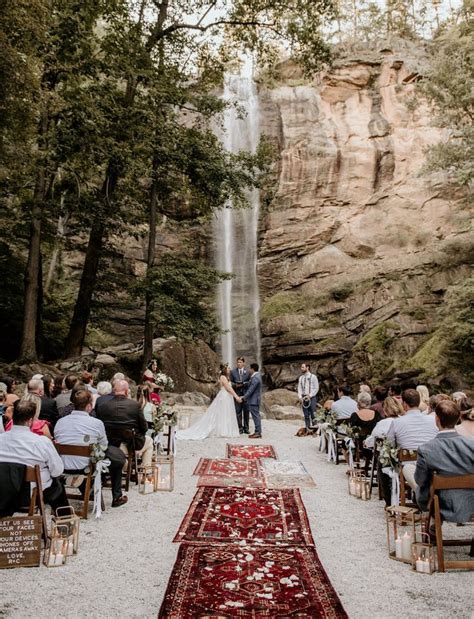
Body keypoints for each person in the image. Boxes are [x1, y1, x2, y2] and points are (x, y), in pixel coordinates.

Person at [54, 389, 127, 508]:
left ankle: (88, 489)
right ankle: (117, 496)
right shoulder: (96, 423)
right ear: (89, 406)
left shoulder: (60, 422)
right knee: (114, 459)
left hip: (64, 466)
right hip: (86, 467)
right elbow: (104, 444)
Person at [0, 400, 68, 511]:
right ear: (30, 420)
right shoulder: (41, 442)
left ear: (13, 417)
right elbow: (57, 471)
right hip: (29, 497)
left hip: (2, 495)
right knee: (56, 484)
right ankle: (65, 522)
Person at [415, 400, 474, 523]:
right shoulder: (471, 444)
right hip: (471, 503)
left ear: (436, 420)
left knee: (419, 482)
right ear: (458, 418)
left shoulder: (426, 449)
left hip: (441, 505)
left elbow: (420, 480)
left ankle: (433, 524)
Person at [386, 389, 438, 490]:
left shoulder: (397, 422)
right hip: (431, 463)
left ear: (404, 404)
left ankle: (390, 500)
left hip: (408, 464)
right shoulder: (432, 420)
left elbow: (389, 444)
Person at [96, 379, 154, 467]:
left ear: (114, 391)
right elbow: (144, 428)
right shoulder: (135, 405)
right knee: (149, 442)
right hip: (130, 445)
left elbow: (99, 427)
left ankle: (125, 464)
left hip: (110, 444)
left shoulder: (103, 406)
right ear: (127, 391)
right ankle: (147, 472)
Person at [176, 365, 240, 440]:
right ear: (224, 369)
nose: (230, 369)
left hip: (227, 396)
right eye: (228, 368)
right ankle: (223, 431)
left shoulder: (226, 377)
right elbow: (228, 388)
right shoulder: (223, 377)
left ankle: (224, 429)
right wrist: (236, 396)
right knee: (223, 412)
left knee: (225, 412)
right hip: (224, 396)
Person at [241, 363, 263, 439]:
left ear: (252, 369)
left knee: (256, 416)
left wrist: (244, 397)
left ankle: (258, 432)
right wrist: (244, 383)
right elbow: (251, 384)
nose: (249, 370)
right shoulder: (256, 376)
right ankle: (258, 431)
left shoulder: (256, 377)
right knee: (256, 416)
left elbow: (251, 389)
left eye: (250, 369)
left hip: (254, 400)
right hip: (254, 400)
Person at [230, 357, 250, 434]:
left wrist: (243, 384)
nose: (239, 363)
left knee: (246, 411)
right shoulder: (232, 372)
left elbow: (250, 382)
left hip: (246, 395)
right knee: (238, 412)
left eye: (240, 362)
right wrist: (236, 385)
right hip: (237, 394)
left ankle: (246, 428)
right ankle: (240, 428)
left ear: (244, 363)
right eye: (238, 362)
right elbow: (230, 382)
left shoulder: (248, 372)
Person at [297, 363, 319, 430]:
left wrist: (310, 395)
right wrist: (300, 397)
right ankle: (307, 428)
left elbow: (316, 388)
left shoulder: (313, 377)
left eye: (303, 367)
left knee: (313, 413)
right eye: (301, 367)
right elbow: (299, 388)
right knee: (306, 415)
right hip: (304, 397)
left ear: (307, 367)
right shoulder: (301, 378)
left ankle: (315, 428)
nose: (301, 368)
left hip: (312, 397)